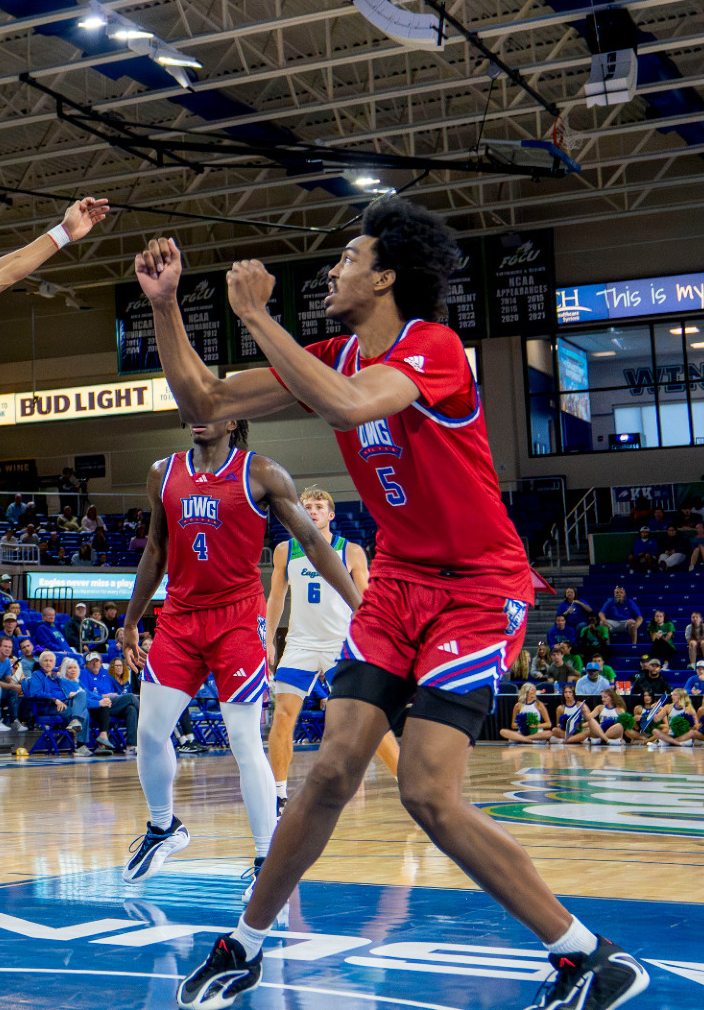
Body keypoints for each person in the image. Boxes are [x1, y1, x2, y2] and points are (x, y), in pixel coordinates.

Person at [137, 206, 642, 1007]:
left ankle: (588, 955)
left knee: (428, 793)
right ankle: (244, 944)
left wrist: (257, 315)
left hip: (477, 589)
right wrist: (165, 306)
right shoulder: (334, 355)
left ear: (385, 277)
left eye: (347, 256)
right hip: (401, 585)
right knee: (331, 767)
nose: (332, 271)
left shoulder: (432, 350)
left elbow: (346, 405)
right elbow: (204, 395)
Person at [118, 410, 359, 893]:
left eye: (211, 407)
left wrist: (361, 606)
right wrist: (129, 621)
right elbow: (155, 552)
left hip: (237, 620)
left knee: (245, 740)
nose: (198, 414)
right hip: (180, 617)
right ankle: (163, 828)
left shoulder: (262, 473)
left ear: (233, 420)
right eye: (192, 406)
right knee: (148, 732)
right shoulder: (163, 473)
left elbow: (311, 542)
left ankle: (267, 859)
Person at [264, 485, 393, 811]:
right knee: (282, 716)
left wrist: (373, 641)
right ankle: (279, 795)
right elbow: (276, 598)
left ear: (331, 514)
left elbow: (366, 600)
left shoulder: (350, 551)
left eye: (319, 506)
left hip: (341, 644)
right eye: (307, 505)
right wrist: (269, 642)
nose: (313, 510)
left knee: (369, 718)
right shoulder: (285, 550)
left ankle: (413, 790)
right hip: (300, 644)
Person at [79, 650, 138, 755]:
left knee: (131, 709)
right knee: (131, 697)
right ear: (87, 663)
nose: (95, 663)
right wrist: (103, 696)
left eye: (97, 661)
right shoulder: (84, 674)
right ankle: (147, 718)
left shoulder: (106, 673)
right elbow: (85, 694)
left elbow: (118, 690)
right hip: (97, 706)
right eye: (92, 661)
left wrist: (113, 695)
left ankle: (132, 745)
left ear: (101, 662)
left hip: (112, 703)